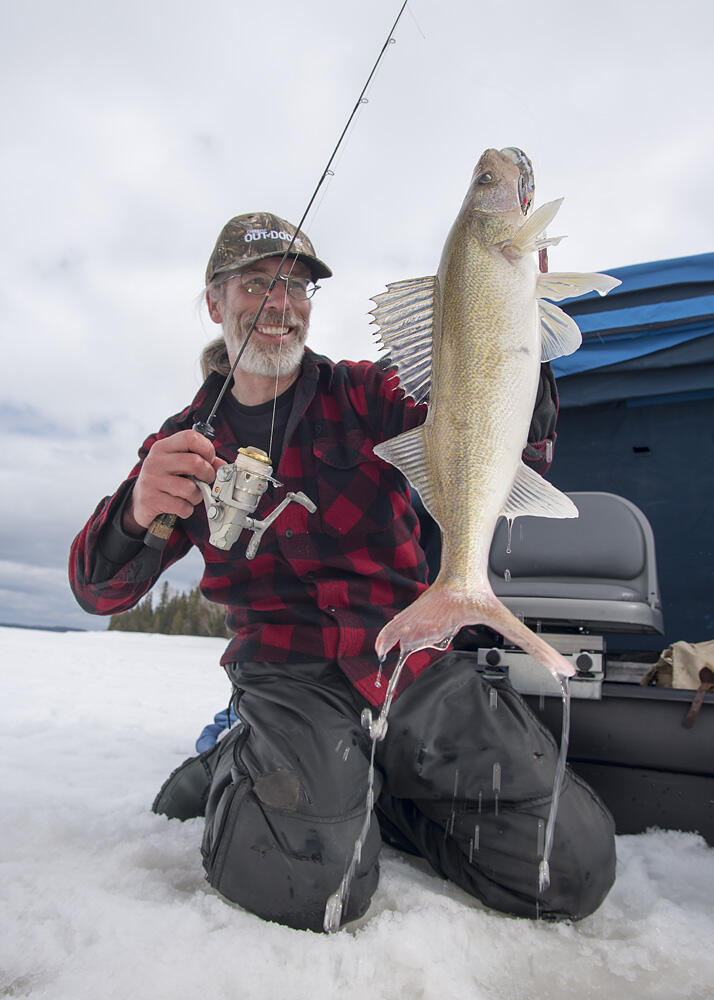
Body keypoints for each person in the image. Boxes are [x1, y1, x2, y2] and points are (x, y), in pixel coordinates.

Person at [69, 212, 616, 933]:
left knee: (570, 868)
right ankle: (243, 759)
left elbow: (516, 457)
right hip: (289, 679)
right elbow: (99, 589)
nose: (279, 302)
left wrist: (512, 329)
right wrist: (135, 511)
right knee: (303, 889)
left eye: (296, 285)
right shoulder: (185, 445)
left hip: (411, 660)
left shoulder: (370, 399)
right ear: (214, 302)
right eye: (256, 283)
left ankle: (373, 795)